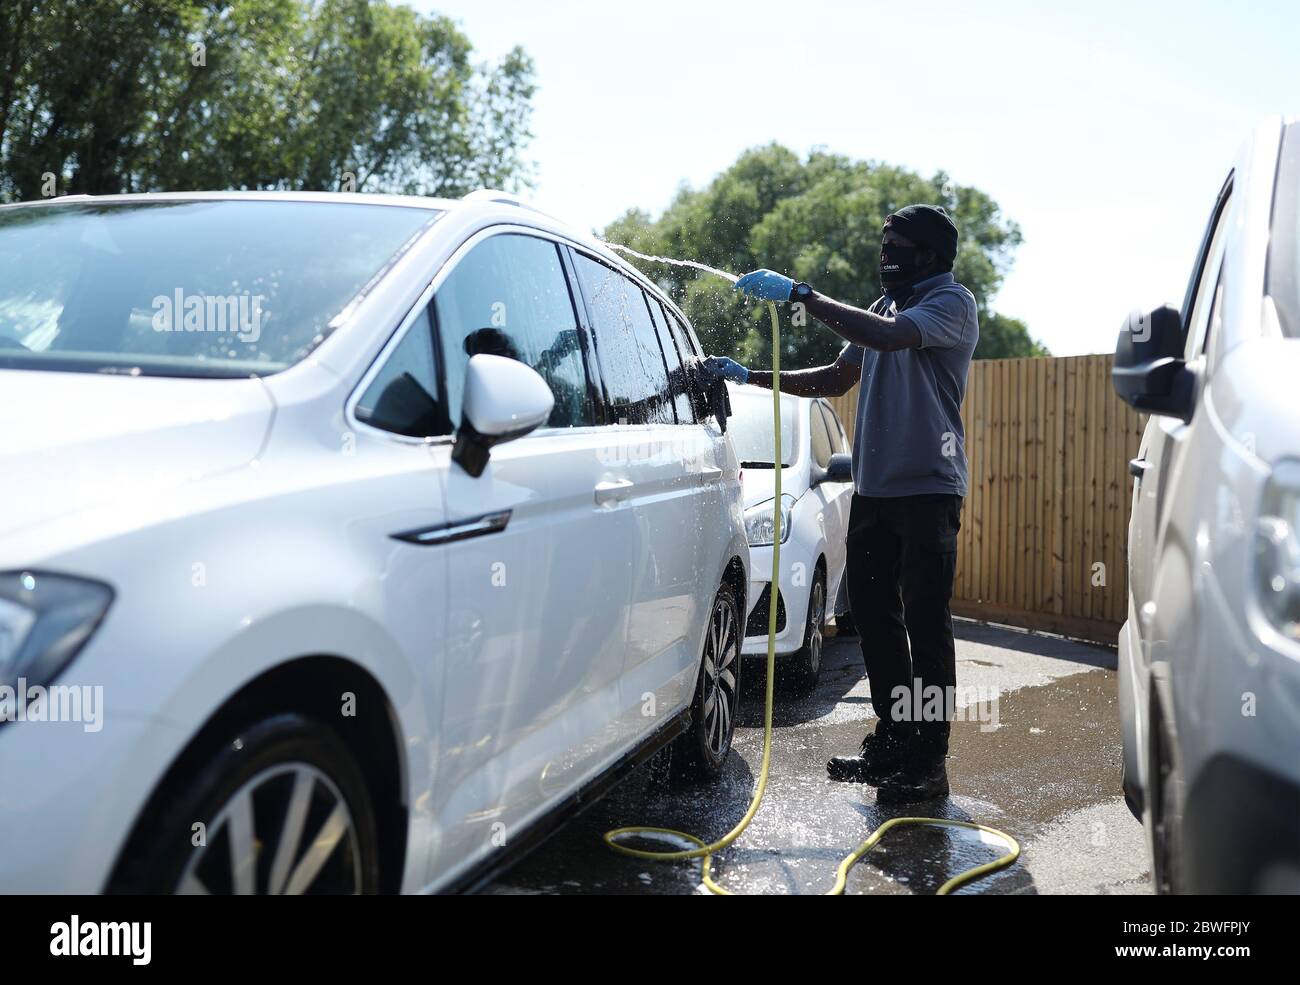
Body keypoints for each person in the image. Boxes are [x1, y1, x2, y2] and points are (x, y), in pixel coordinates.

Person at [702, 204, 978, 802]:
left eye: (897, 247)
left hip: (928, 490)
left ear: (930, 256)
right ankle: (893, 740)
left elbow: (887, 339)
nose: (887, 257)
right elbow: (835, 377)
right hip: (876, 492)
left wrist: (804, 294)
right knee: (876, 618)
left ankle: (928, 759)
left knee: (926, 627)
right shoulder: (883, 307)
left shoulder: (951, 304)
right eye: (885, 245)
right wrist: (750, 374)